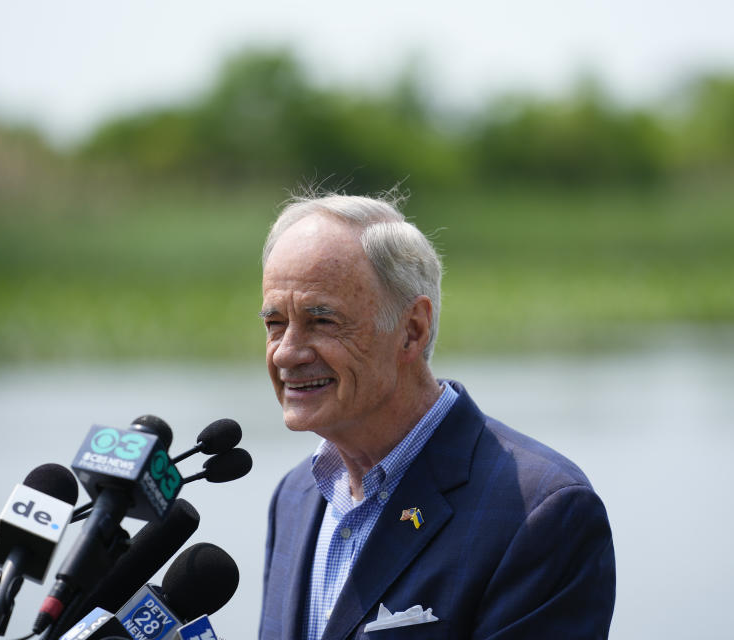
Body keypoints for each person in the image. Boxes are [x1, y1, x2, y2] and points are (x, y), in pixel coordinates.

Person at [258, 192, 615, 640]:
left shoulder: (542, 512)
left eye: (322, 321)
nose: (287, 352)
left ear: (412, 330)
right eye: (275, 324)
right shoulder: (295, 496)